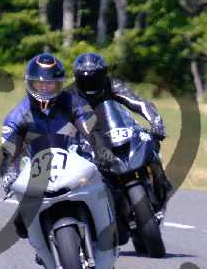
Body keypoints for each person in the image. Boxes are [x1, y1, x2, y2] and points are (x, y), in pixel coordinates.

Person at [0, 53, 98, 238]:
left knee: (108, 189)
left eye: (51, 83)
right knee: (21, 224)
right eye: (40, 84)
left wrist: (97, 150)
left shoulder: (75, 103)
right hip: (38, 171)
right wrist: (10, 173)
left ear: (59, 84)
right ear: (30, 83)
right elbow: (9, 153)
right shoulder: (16, 117)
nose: (45, 88)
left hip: (76, 163)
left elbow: (92, 132)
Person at [70, 52, 174, 208]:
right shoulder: (69, 95)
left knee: (150, 141)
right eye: (85, 80)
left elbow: (138, 103)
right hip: (89, 139)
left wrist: (156, 121)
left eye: (95, 79)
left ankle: (161, 180)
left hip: (119, 127)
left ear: (103, 75)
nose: (90, 84)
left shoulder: (112, 85)